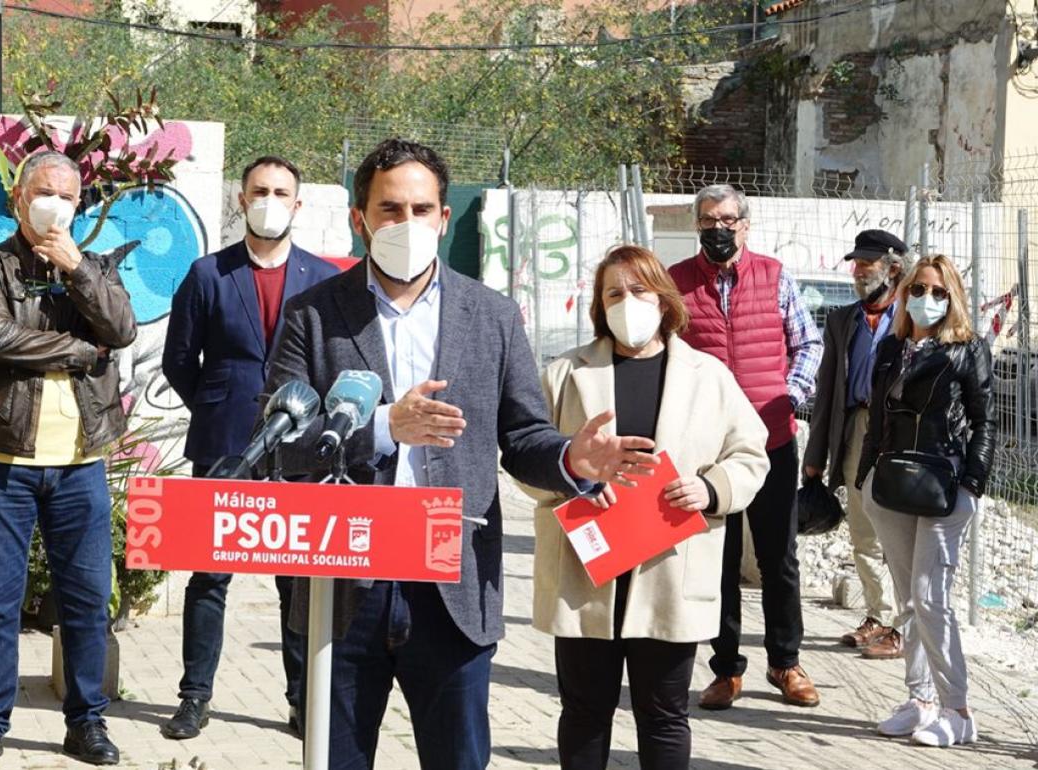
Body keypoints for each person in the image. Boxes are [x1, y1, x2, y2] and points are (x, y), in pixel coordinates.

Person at [262, 138, 659, 769]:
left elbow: (524, 436)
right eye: (390, 210)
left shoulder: (492, 316)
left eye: (422, 210)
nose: (407, 224)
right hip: (343, 583)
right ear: (359, 219)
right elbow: (279, 446)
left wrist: (572, 462)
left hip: (452, 583)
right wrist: (387, 426)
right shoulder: (314, 316)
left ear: (445, 219)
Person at [525, 244, 770, 770]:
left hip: (669, 568)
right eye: (614, 292)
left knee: (663, 716)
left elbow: (751, 453)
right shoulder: (566, 373)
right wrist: (574, 474)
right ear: (599, 304)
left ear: (663, 299)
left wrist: (712, 489)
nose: (627, 302)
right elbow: (526, 457)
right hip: (587, 571)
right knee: (585, 712)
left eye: (638, 290)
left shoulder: (709, 376)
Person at [0, 151, 138, 768]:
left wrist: (77, 268)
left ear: (79, 205)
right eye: (42, 191)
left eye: (66, 194)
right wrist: (86, 352)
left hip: (80, 464)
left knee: (85, 601)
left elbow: (122, 327)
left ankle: (86, 723)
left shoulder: (96, 266)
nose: (54, 203)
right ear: (18, 199)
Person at [160, 155, 338, 740]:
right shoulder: (208, 274)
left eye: (281, 192)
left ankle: (301, 699)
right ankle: (194, 697)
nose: (269, 200)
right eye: (259, 190)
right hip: (225, 446)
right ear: (241, 200)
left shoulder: (324, 279)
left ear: (297, 203)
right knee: (210, 576)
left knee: (296, 580)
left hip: (298, 451)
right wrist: (219, 406)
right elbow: (179, 360)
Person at [668, 184, 825, 710]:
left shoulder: (775, 276)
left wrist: (790, 396)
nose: (719, 228)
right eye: (709, 220)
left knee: (779, 557)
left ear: (745, 224)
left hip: (771, 441)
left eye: (729, 220)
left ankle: (786, 662)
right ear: (697, 226)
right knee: (719, 559)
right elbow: (666, 357)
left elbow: (808, 343)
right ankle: (725, 668)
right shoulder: (678, 284)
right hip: (708, 451)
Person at [856, 254, 995, 747]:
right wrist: (864, 477)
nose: (927, 299)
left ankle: (957, 709)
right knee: (908, 599)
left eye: (939, 291)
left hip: (945, 486)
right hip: (890, 485)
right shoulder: (892, 348)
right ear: (905, 292)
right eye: (919, 289)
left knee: (933, 597)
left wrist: (971, 485)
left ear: (952, 296)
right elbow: (877, 418)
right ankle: (920, 700)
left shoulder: (967, 348)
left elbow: (984, 421)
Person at [805, 229, 911, 659]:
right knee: (863, 530)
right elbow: (827, 390)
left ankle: (905, 625)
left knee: (902, 534)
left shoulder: (912, 316)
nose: (858, 271)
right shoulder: (842, 320)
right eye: (857, 263)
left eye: (867, 264)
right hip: (854, 429)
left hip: (898, 433)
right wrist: (814, 457)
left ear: (893, 269)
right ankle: (877, 615)